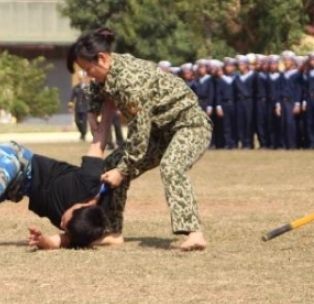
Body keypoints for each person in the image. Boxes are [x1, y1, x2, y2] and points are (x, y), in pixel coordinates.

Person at [68, 28, 211, 251]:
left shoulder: (131, 83)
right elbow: (98, 85)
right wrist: (91, 111)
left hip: (188, 125)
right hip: (159, 131)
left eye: (88, 69)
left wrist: (123, 171)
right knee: (112, 165)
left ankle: (195, 233)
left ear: (102, 58)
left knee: (171, 166)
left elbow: (139, 135)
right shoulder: (111, 67)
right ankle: (112, 231)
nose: (88, 75)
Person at [69, 73, 90, 141]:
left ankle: (83, 135)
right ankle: (82, 132)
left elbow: (89, 97)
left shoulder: (86, 88)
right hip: (78, 108)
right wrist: (70, 107)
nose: (81, 80)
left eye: (83, 79)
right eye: (80, 79)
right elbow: (72, 98)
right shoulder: (76, 87)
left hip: (85, 107)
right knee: (77, 121)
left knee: (84, 122)